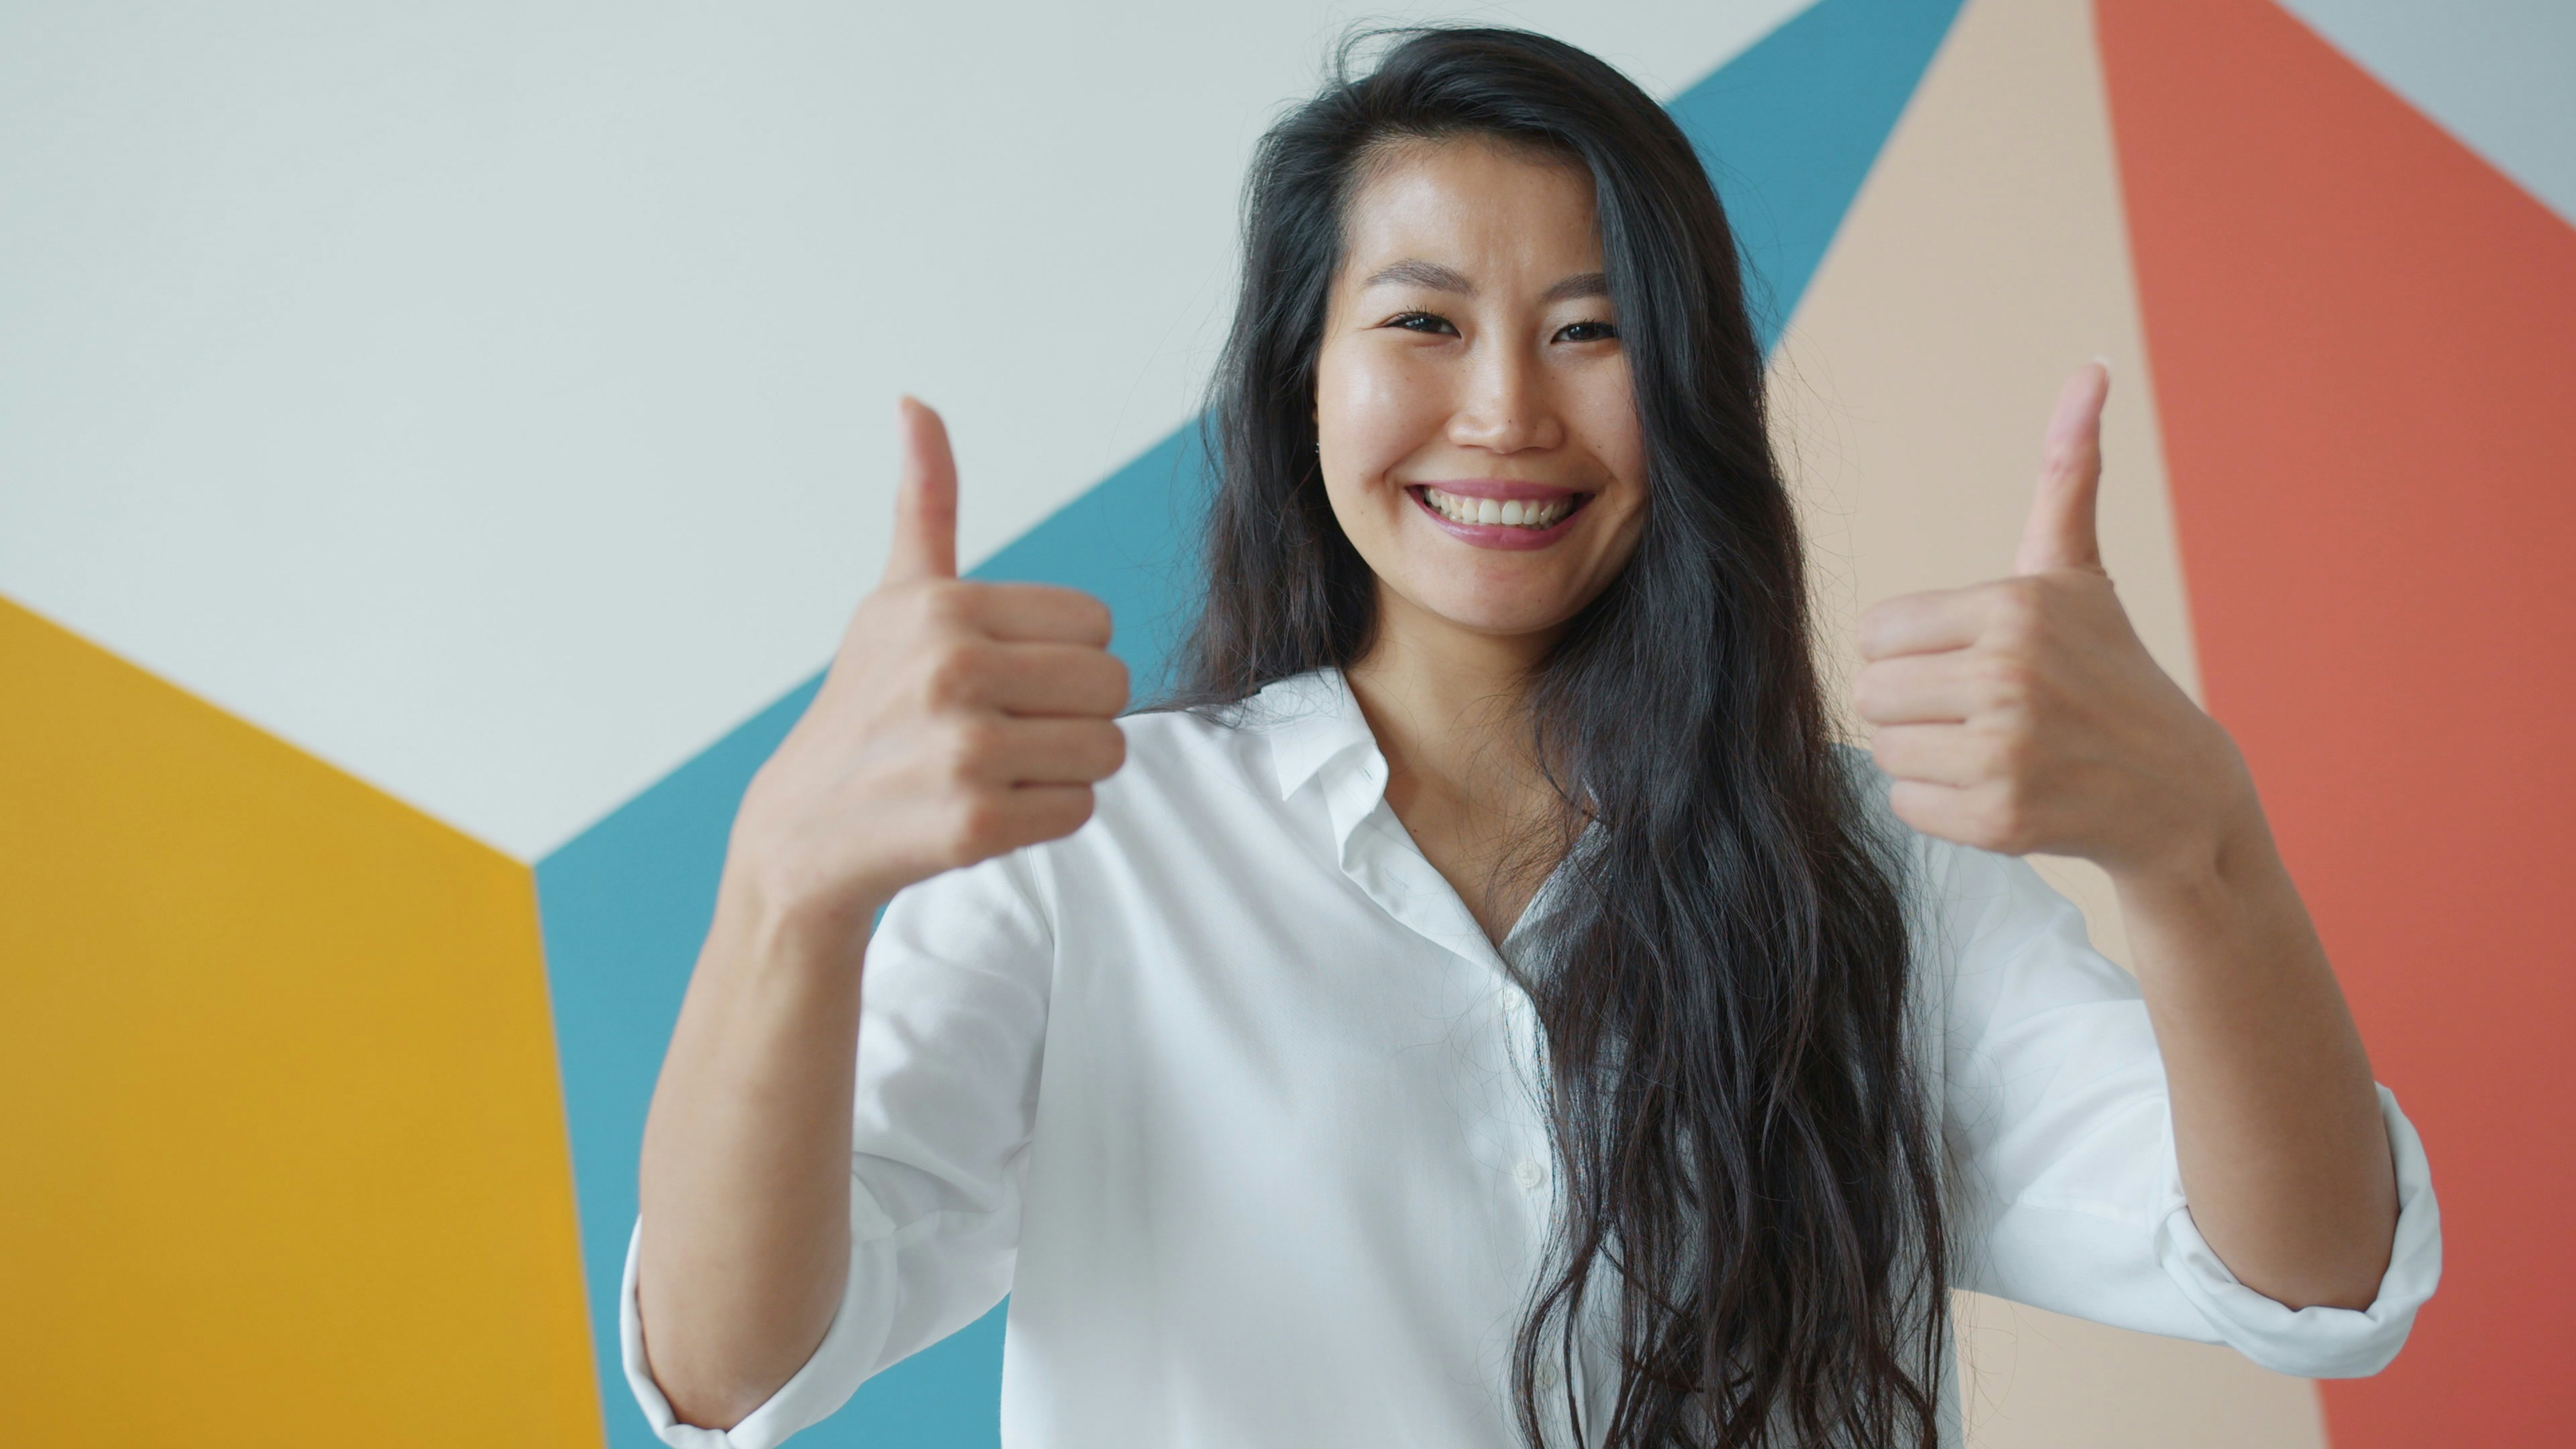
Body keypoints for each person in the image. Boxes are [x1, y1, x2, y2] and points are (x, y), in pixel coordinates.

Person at [623, 27, 2438, 1449]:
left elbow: (2314, 1281)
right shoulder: (1095, 851)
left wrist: (2199, 855)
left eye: (1591, 332)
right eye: (1421, 321)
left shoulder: (1873, 872)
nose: (1503, 411)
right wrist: (786, 897)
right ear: (1301, 377)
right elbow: (726, 1369)